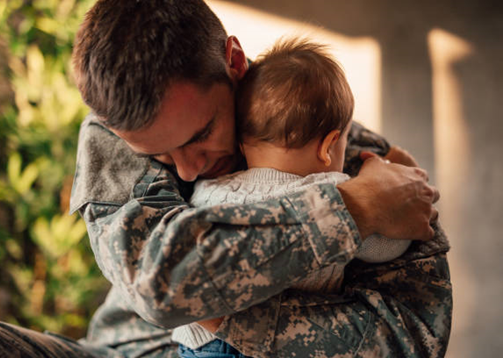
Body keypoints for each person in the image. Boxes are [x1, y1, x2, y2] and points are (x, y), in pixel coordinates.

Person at [0, 0, 450, 357]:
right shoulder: (112, 137)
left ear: (234, 63)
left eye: (202, 134)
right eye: (158, 155)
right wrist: (353, 210)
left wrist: (226, 318)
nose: (188, 169)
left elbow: (411, 336)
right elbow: (162, 284)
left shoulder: (332, 142)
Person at [173, 38, 414, 357]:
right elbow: (384, 248)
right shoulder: (333, 192)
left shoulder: (208, 188)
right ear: (328, 147)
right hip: (278, 343)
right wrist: (396, 177)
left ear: (241, 142)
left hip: (199, 343)